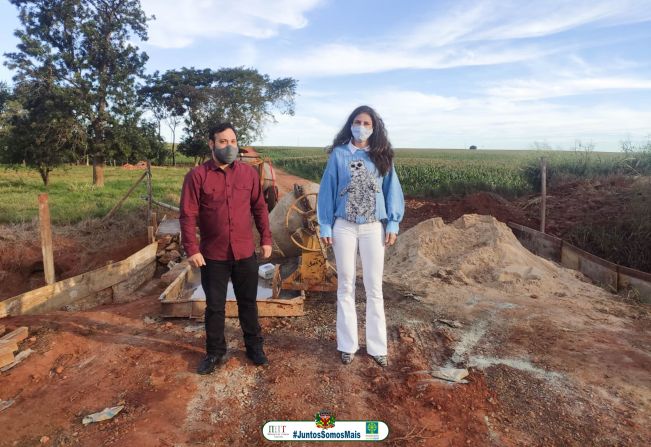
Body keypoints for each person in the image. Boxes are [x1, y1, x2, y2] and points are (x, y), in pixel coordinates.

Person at [180, 122, 273, 375]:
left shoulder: (248, 175)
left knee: (248, 303)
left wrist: (266, 239)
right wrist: (192, 248)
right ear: (212, 144)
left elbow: (259, 209)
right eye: (223, 142)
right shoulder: (197, 177)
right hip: (212, 254)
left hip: (244, 252)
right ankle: (215, 353)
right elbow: (187, 215)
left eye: (232, 141)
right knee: (215, 307)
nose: (229, 146)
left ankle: (254, 348)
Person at [317, 105, 404, 367]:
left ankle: (377, 347)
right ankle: (347, 345)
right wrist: (325, 225)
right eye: (358, 122)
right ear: (350, 125)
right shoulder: (339, 155)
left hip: (372, 227)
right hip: (343, 225)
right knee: (345, 284)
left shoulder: (382, 156)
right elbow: (327, 190)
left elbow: (392, 190)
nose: (362, 127)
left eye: (367, 123)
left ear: (374, 128)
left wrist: (392, 223)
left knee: (373, 286)